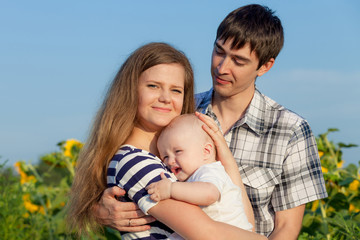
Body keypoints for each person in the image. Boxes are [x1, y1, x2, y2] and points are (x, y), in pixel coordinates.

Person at [93, 4, 328, 239]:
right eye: (219, 51)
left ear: (265, 66)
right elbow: (127, 171)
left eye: (238, 60)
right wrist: (99, 212)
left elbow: (286, 229)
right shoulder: (177, 111)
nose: (222, 67)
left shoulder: (290, 130)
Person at [67, 42, 266, 239]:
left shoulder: (168, 160)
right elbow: (208, 233)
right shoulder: (137, 163)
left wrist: (224, 153)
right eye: (153, 86)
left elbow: (243, 222)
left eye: (176, 90)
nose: (165, 98)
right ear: (130, 90)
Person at [146, 114, 254, 240]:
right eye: (165, 157)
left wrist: (171, 189)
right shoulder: (193, 176)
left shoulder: (210, 171)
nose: (170, 161)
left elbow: (209, 194)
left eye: (178, 151)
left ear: (206, 151)